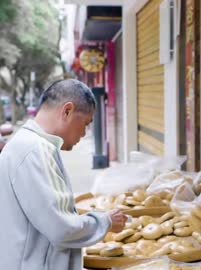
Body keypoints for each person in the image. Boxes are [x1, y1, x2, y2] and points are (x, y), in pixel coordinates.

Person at [0, 79, 127, 270]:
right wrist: (105, 221)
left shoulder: (34, 146)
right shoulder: (33, 150)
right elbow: (60, 227)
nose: (84, 133)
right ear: (67, 111)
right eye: (85, 123)